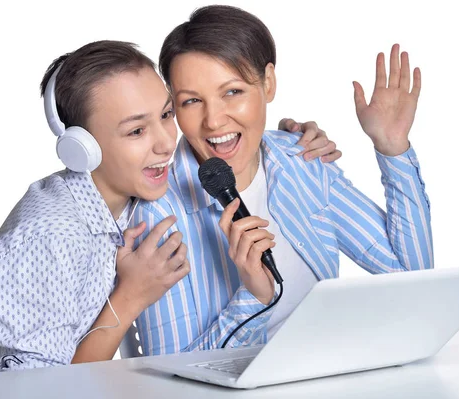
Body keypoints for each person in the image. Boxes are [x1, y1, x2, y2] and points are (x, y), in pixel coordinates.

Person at [0, 39, 338, 375]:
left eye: (166, 115)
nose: (164, 143)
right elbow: (36, 391)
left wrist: (289, 139)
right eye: (136, 131)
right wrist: (131, 296)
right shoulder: (48, 238)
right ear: (82, 148)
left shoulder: (126, 196)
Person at [131, 5, 434, 356]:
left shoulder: (303, 161)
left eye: (233, 92)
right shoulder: (159, 215)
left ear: (268, 83)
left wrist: (392, 147)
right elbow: (168, 380)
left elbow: (414, 278)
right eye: (192, 101)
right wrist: (255, 298)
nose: (213, 121)